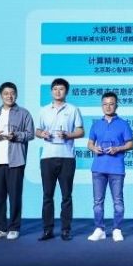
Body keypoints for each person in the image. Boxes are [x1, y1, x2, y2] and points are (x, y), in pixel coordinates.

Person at [36, 78, 84, 241]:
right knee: (47, 195)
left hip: (67, 157)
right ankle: (47, 230)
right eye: (55, 89)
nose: (58, 92)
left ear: (66, 91)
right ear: (51, 91)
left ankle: (65, 230)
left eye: (61, 89)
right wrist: (42, 134)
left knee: (66, 196)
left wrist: (68, 135)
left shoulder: (73, 109)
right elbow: (37, 130)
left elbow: (81, 131)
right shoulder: (43, 110)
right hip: (47, 157)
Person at [0, 82, 34, 240]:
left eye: (12, 93)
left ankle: (14, 227)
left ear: (16, 94)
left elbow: (30, 134)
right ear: (1, 95)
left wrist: (16, 136)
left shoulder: (24, 113)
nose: (9, 96)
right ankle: (0, 228)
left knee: (15, 196)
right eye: (6, 93)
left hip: (16, 160)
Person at [87, 92, 133, 242]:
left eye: (111, 104)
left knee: (118, 202)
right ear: (102, 106)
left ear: (116, 105)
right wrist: (94, 148)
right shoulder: (96, 124)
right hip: (98, 168)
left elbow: (131, 144)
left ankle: (117, 229)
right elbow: (90, 143)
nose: (108, 107)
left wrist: (118, 148)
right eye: (105, 104)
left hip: (116, 169)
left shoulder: (123, 124)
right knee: (97, 202)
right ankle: (99, 229)